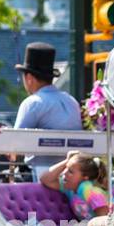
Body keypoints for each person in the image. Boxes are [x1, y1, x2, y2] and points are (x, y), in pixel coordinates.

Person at [11, 41, 81, 177]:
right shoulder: (72, 102)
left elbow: (15, 146)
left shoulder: (32, 103)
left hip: (37, 176)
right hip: (70, 177)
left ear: (29, 78)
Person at [41, 151, 110, 224]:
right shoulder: (70, 188)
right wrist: (67, 161)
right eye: (65, 168)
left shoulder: (89, 190)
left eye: (70, 171)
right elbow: (45, 179)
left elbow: (104, 218)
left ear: (85, 177)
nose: (64, 173)